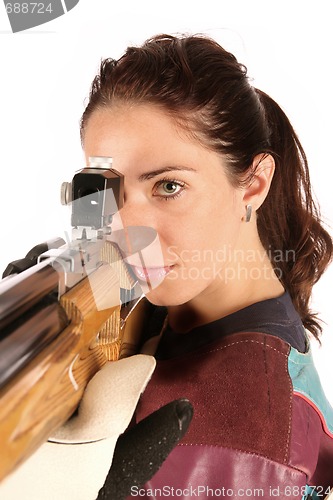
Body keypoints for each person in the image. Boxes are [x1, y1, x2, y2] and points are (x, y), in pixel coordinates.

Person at [80, 34, 333, 499]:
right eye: (107, 191)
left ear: (253, 184)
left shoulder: (240, 444)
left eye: (168, 187)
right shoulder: (191, 305)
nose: (125, 231)